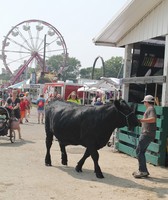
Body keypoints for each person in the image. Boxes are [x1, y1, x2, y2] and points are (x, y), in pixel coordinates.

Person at [132, 95, 157, 178]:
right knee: (141, 152)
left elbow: (153, 119)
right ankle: (143, 170)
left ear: (146, 102)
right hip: (148, 134)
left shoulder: (151, 109)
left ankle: (142, 171)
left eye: (144, 102)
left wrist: (140, 120)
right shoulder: (151, 109)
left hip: (147, 134)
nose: (144, 103)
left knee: (139, 151)